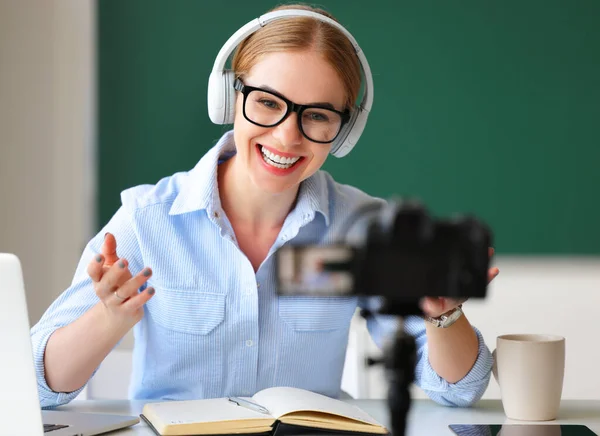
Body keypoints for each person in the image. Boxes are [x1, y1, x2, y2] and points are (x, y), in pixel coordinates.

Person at [31, 3, 500, 410]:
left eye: (317, 114)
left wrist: (444, 316)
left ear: (345, 130)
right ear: (230, 98)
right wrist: (109, 318)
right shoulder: (146, 220)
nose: (286, 136)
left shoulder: (360, 227)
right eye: (268, 102)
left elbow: (458, 392)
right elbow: (36, 385)